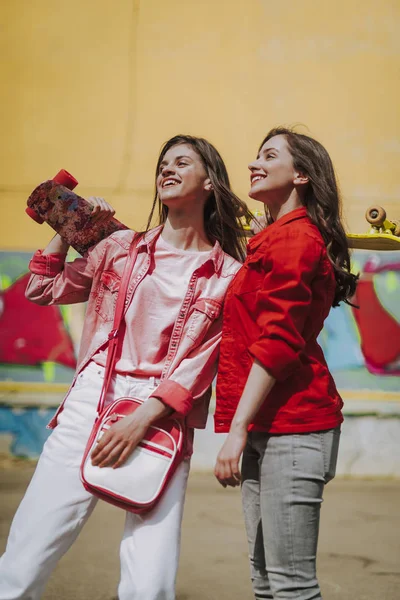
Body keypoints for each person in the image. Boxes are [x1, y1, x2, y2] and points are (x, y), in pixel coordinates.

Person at [0, 134, 252, 600]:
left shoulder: (228, 275)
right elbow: (40, 288)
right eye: (163, 164)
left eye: (182, 162)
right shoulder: (119, 247)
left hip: (161, 416)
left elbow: (198, 367)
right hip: (91, 400)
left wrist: (141, 419)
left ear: (211, 182)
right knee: (29, 547)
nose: (167, 170)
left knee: (150, 571)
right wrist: (68, 226)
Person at [214, 127, 358, 600]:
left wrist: (237, 429)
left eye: (269, 156)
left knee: (292, 586)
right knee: (265, 583)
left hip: (296, 426)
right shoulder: (277, 239)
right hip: (267, 425)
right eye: (255, 155)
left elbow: (276, 341)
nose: (254, 163)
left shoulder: (296, 242)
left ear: (300, 175)